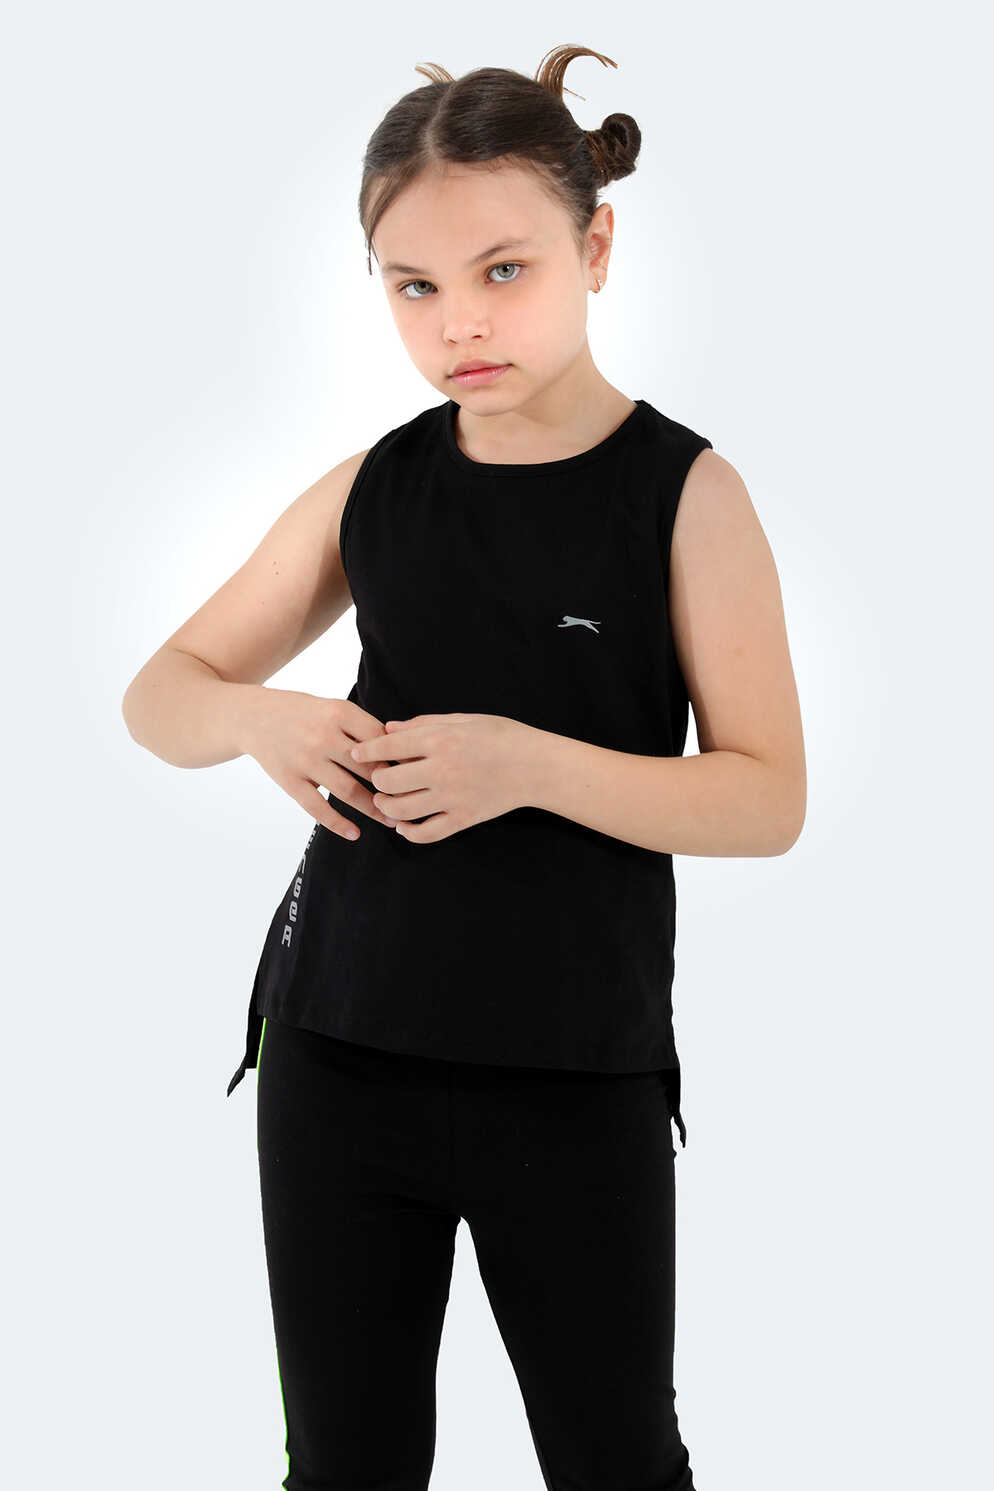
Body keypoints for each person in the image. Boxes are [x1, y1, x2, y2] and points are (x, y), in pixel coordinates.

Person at [122, 42, 806, 1491]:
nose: (459, 325)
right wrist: (257, 720)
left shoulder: (685, 494)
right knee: (344, 1469)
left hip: (573, 1069)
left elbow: (767, 798)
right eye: (413, 287)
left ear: (596, 247)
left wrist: (529, 763)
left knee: (618, 1463)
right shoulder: (376, 484)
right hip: (334, 1049)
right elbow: (158, 696)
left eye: (504, 270)